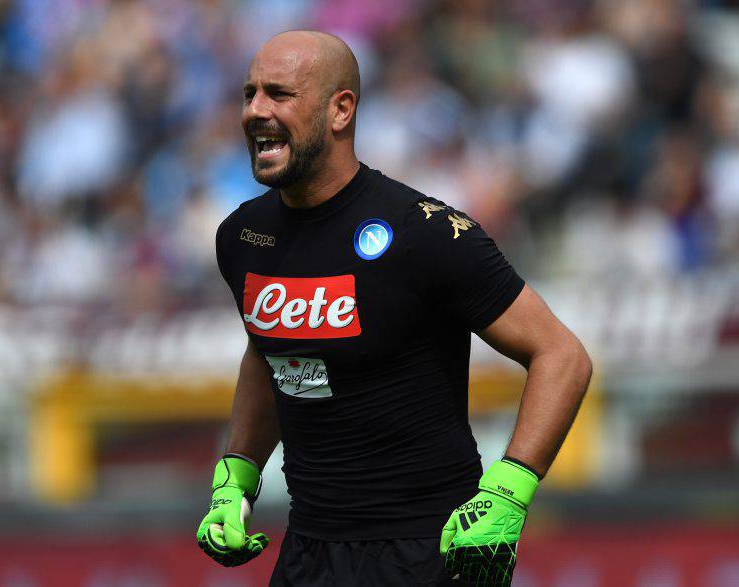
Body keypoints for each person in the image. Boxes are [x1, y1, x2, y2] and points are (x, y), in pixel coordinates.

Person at [196, 30, 592, 586]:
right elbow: (268, 353)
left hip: (430, 551)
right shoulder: (241, 236)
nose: (255, 111)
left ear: (341, 110)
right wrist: (234, 479)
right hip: (309, 552)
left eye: (279, 94)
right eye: (249, 94)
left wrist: (510, 492)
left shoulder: (423, 231)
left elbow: (562, 355)